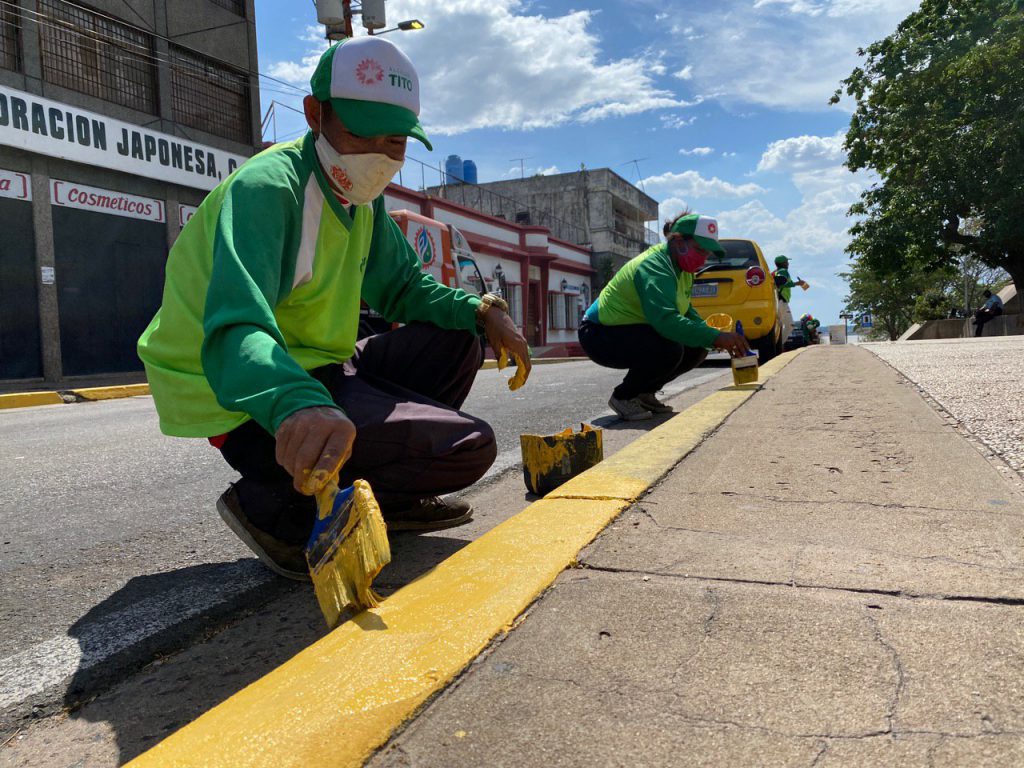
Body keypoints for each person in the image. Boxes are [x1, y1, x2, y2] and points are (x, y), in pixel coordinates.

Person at [137, 37, 531, 580]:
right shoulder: (269, 189)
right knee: (468, 446)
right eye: (360, 134)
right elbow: (234, 327)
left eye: (393, 142)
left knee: (458, 336)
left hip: (320, 367)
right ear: (315, 114)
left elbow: (405, 290)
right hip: (243, 390)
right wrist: (298, 402)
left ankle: (382, 494)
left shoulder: (361, 200)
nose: (378, 155)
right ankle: (275, 507)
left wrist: (485, 310)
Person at [577, 211, 751, 421]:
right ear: (678, 242)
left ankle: (644, 393)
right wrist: (716, 337)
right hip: (599, 334)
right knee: (669, 346)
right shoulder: (654, 267)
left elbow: (685, 310)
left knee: (697, 346)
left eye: (707, 253)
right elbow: (666, 322)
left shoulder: (683, 268)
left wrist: (712, 335)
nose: (703, 258)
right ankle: (624, 396)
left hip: (630, 329)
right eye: (699, 250)